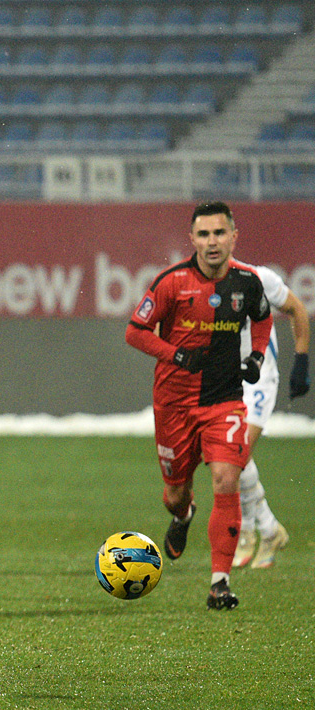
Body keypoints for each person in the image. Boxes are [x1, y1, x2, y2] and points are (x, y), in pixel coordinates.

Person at [125, 201, 273, 610]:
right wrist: (175, 354)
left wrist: (257, 356)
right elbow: (135, 331)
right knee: (175, 493)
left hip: (224, 400)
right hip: (174, 403)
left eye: (219, 233)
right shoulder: (171, 282)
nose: (212, 242)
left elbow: (263, 319)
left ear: (234, 237)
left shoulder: (247, 282)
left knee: (226, 478)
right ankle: (182, 515)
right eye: (204, 234)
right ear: (192, 239)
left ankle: (219, 583)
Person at [232, 266, 309, 569]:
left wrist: (301, 360)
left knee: (237, 453)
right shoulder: (201, 284)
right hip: (225, 379)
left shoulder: (259, 277)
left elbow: (296, 308)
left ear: (232, 242)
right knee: (230, 456)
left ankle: (249, 532)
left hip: (259, 378)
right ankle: (268, 529)